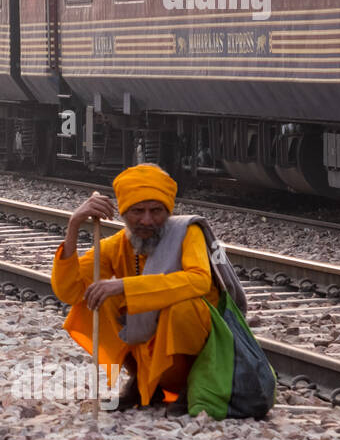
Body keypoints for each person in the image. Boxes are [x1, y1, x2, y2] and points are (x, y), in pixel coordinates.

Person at [51, 164, 229, 409]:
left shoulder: (188, 233)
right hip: (152, 352)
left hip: (198, 353)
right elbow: (70, 292)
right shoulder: (118, 245)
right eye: (138, 211)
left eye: (156, 211)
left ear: (168, 211)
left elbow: (199, 280)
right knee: (98, 297)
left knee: (182, 308)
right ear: (124, 214)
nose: (147, 220)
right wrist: (73, 225)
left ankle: (192, 386)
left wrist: (125, 286)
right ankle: (142, 381)